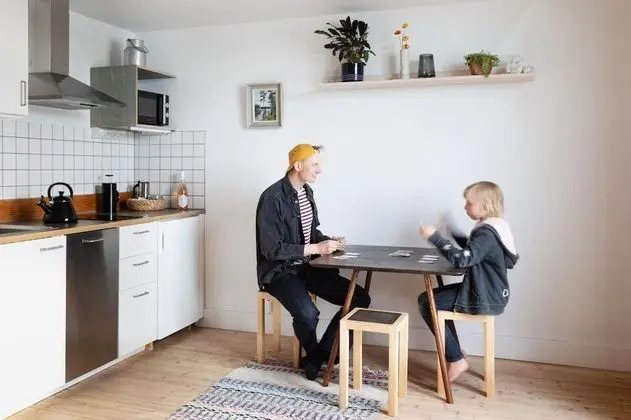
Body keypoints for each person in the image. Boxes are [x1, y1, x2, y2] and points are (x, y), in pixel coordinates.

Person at [255, 143, 371, 380]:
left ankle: (322, 355)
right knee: (309, 314)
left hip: (307, 267)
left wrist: (328, 242)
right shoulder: (272, 198)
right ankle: (317, 355)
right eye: (315, 164)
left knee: (360, 298)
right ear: (298, 166)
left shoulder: (307, 193)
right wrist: (316, 248)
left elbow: (310, 234)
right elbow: (271, 249)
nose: (320, 170)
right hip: (279, 272)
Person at [418, 181, 519, 382]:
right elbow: (475, 251)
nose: (465, 207)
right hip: (489, 291)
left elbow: (463, 259)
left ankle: (455, 358)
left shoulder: (486, 233)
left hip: (482, 295)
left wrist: (435, 237)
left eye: (469, 203)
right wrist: (453, 231)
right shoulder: (495, 228)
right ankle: (455, 352)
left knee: (427, 303)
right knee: (426, 299)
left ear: (485, 204)